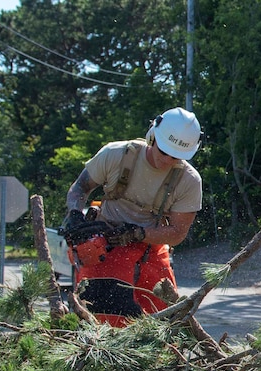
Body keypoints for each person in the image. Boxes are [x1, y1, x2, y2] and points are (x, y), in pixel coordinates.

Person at [62, 107, 203, 326]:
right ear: (152, 136)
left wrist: (138, 233)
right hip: (105, 245)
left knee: (164, 320)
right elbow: (80, 187)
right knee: (101, 318)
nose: (167, 161)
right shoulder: (116, 155)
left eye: (175, 157)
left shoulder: (188, 181)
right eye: (164, 152)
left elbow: (177, 233)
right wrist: (74, 214)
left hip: (151, 248)